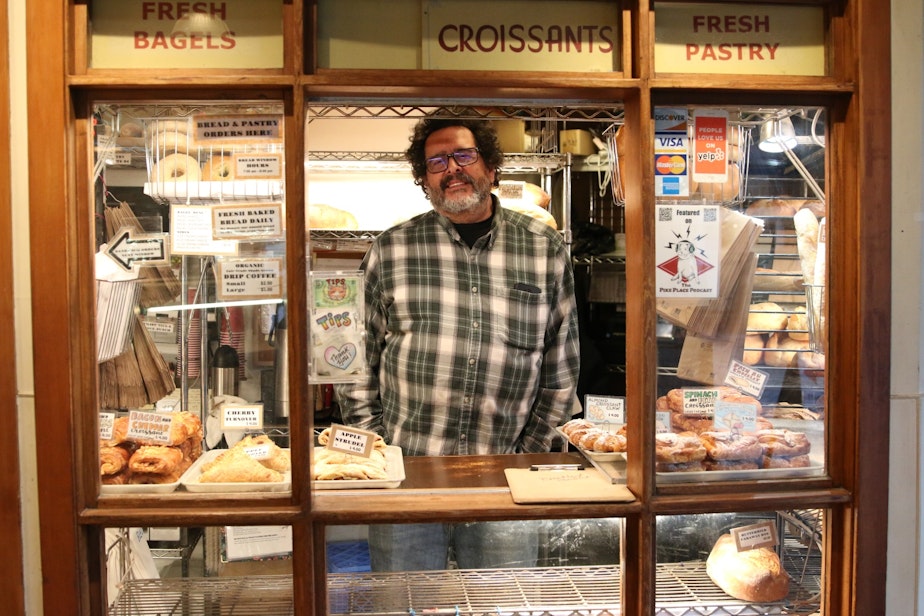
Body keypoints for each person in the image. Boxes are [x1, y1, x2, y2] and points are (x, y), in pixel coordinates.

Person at [336, 117, 580, 571]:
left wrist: (528, 454)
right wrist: (382, 448)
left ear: (491, 167)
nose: (452, 169)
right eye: (436, 162)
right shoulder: (391, 250)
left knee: (502, 602)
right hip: (406, 477)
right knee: (405, 602)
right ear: (424, 178)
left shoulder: (543, 249)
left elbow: (561, 368)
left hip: (506, 478)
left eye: (464, 156)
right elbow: (353, 360)